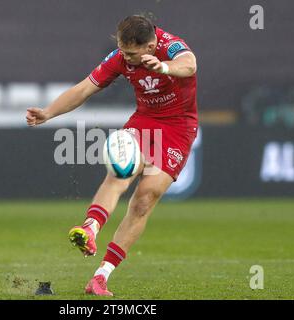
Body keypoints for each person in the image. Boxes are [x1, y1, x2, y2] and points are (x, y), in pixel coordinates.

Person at [26, 15, 198, 296]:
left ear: (152, 46)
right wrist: (48, 112)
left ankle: (100, 277)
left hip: (179, 127)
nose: (126, 58)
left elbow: (190, 64)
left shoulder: (171, 47)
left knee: (145, 199)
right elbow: (84, 89)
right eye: (122, 50)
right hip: (145, 121)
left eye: (132, 53)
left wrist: (165, 67)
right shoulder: (120, 57)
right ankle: (90, 228)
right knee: (120, 172)